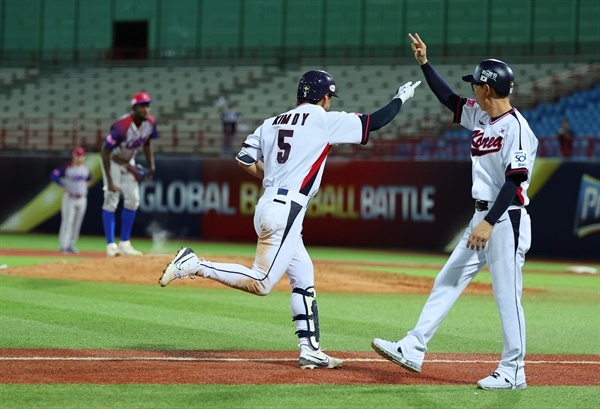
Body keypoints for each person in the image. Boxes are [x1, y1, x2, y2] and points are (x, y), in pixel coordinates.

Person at [159, 70, 421, 369]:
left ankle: (309, 349)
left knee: (303, 276)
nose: (329, 103)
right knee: (261, 282)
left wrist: (272, 177)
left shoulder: (271, 122)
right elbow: (376, 121)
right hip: (288, 208)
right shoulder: (323, 120)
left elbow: (244, 158)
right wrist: (401, 97)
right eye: (329, 99)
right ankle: (194, 265)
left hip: (270, 204)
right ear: (324, 98)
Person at [371, 33, 538, 390]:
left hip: (505, 219)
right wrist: (424, 64)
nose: (473, 89)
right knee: (448, 278)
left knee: (507, 296)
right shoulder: (480, 115)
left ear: (488, 90)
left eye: (476, 84)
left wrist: (489, 223)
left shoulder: (518, 129)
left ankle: (514, 371)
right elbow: (448, 99)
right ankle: (413, 347)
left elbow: (515, 181)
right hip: (482, 218)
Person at [101, 92, 157, 257]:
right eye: (142, 105)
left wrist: (151, 165)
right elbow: (105, 152)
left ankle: (125, 243)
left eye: (147, 105)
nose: (145, 109)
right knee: (111, 200)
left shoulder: (150, 123)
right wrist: (110, 180)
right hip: (112, 161)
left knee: (133, 200)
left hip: (128, 162)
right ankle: (111, 245)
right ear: (134, 107)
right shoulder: (122, 125)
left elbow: (147, 143)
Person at [50, 147, 92, 254]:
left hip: (82, 198)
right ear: (74, 156)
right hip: (70, 198)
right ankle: (63, 245)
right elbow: (54, 175)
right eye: (77, 155)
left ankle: (71, 245)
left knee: (77, 222)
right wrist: (61, 185)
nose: (79, 158)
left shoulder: (85, 169)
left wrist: (85, 186)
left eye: (81, 155)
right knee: (68, 221)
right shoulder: (67, 167)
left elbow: (89, 180)